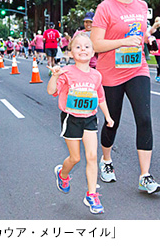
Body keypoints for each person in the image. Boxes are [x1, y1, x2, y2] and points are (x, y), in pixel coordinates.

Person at [90, 0, 160, 194]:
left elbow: (140, 34)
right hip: (110, 74)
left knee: (144, 118)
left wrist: (147, 40)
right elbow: (96, 44)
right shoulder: (105, 8)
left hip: (136, 69)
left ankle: (145, 175)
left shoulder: (141, 6)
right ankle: (106, 160)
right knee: (113, 122)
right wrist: (123, 41)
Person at [47, 33, 114, 214]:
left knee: (92, 156)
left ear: (93, 52)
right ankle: (63, 174)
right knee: (75, 158)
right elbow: (51, 91)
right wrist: (54, 76)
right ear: (70, 53)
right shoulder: (66, 72)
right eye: (78, 47)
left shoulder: (96, 76)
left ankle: (91, 194)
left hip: (90, 118)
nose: (82, 49)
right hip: (72, 118)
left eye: (87, 46)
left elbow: (100, 97)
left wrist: (108, 116)